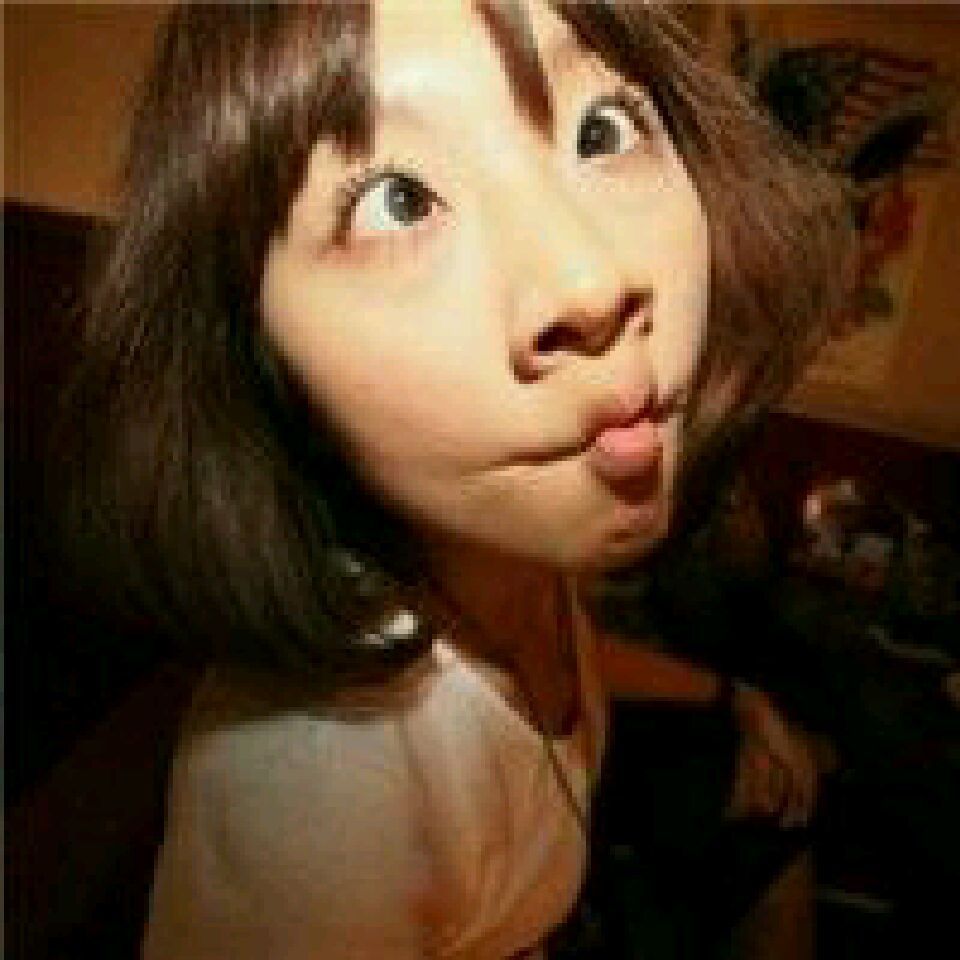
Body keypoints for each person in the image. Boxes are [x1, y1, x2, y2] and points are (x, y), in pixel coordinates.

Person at [56, 1, 852, 956]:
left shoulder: (507, 559)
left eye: (604, 129)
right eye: (397, 200)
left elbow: (559, 656)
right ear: (256, 365)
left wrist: (729, 696)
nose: (591, 280)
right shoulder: (314, 799)